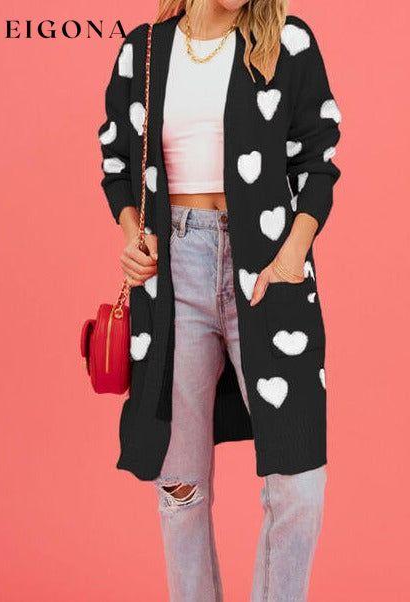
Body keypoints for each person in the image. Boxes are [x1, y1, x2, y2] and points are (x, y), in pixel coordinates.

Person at [97, 0, 341, 599]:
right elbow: (117, 163)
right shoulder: (144, 50)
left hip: (270, 271)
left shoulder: (288, 42)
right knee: (180, 489)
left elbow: (319, 161)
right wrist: (133, 236)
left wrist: (292, 254)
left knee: (299, 483)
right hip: (174, 275)